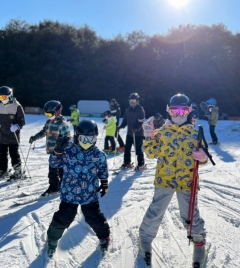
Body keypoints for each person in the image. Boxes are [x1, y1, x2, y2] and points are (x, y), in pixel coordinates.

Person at [139, 93, 208, 267]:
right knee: (156, 211)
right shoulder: (162, 133)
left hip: (187, 182)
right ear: (168, 110)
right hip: (165, 180)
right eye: (174, 111)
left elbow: (204, 156)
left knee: (191, 214)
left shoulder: (195, 133)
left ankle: (199, 242)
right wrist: (148, 136)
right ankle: (145, 239)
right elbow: (150, 153)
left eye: (183, 110)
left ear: (189, 111)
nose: (179, 115)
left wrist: (203, 157)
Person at [46, 120, 110, 258]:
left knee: (94, 217)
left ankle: (104, 237)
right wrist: (57, 151)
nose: (87, 142)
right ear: (77, 137)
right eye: (83, 138)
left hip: (90, 194)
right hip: (69, 194)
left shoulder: (98, 155)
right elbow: (53, 163)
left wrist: (104, 183)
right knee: (63, 217)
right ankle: (52, 238)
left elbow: (103, 170)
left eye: (90, 138)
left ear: (95, 138)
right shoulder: (68, 151)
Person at [28, 100, 71, 196]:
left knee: (59, 171)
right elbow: (43, 132)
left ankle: (56, 188)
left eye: (50, 114)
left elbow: (68, 139)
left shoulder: (62, 124)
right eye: (46, 114)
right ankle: (57, 187)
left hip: (60, 152)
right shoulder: (49, 122)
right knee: (53, 171)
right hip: (52, 151)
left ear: (57, 112)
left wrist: (61, 149)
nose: (48, 116)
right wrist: (35, 137)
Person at [0, 86, 25, 180]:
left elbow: (22, 121)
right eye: (0, 97)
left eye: (4, 97)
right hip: (2, 136)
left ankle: (18, 172)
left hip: (13, 136)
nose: (2, 99)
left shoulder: (17, 106)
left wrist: (17, 126)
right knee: (1, 154)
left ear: (10, 96)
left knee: (14, 154)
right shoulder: (0, 105)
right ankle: (3, 170)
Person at [118, 93, 145, 170]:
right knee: (127, 149)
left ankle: (141, 164)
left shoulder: (140, 110)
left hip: (138, 134)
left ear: (137, 101)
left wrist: (136, 129)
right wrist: (120, 127)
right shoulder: (128, 110)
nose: (132, 101)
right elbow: (125, 121)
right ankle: (127, 162)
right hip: (129, 133)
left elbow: (141, 122)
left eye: (133, 100)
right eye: (131, 100)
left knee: (138, 150)